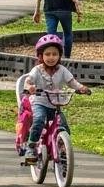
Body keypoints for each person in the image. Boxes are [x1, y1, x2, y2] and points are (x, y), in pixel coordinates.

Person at [21, 33, 90, 163]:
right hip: (39, 102)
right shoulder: (37, 70)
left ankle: (63, 151)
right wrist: (29, 87)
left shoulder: (62, 70)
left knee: (64, 126)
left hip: (55, 104)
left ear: (59, 55)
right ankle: (31, 146)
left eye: (54, 54)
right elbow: (28, 81)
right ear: (41, 56)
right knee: (39, 120)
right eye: (47, 54)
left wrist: (81, 88)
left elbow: (72, 82)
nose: (51, 57)